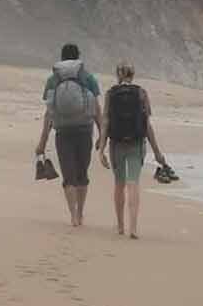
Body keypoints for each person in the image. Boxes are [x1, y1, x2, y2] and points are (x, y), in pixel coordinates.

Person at [97, 61, 168, 239]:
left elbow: (105, 121)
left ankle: (120, 226)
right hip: (136, 143)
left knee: (119, 184)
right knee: (133, 183)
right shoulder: (142, 93)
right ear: (132, 75)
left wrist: (102, 148)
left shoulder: (110, 93)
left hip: (116, 143)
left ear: (118, 75)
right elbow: (147, 125)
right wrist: (157, 152)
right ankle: (133, 227)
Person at [35, 43, 102, 227]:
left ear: (62, 58)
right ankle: (81, 213)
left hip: (63, 131)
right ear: (78, 57)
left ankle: (72, 215)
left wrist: (42, 141)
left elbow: (49, 112)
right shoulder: (88, 77)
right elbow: (96, 108)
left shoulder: (53, 79)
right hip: (84, 129)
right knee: (82, 173)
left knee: (68, 174)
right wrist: (102, 134)